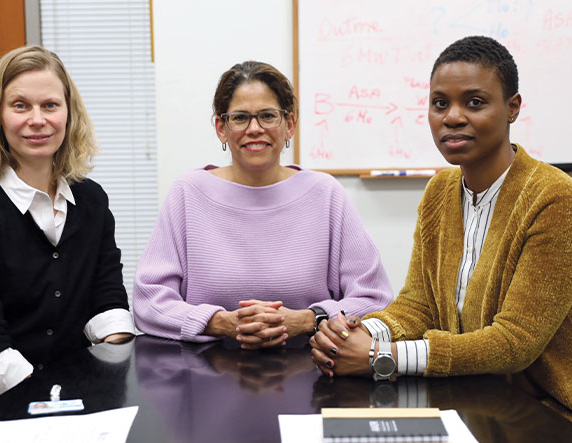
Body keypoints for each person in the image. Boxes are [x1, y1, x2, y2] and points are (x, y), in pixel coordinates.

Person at [310, 36, 572, 422]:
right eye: (440, 103)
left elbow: (514, 343)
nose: (452, 117)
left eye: (475, 102)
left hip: (555, 415)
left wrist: (382, 357)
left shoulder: (557, 200)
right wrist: (352, 334)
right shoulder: (439, 192)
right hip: (474, 401)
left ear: (512, 108)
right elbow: (418, 306)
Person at [0, 45, 135, 414]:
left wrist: (116, 373)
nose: (37, 119)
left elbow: (108, 304)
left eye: (50, 105)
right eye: (20, 105)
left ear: (69, 115)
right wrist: (50, 407)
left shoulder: (92, 201)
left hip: (67, 397)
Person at [133, 61, 392, 349]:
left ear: (289, 125)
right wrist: (219, 322)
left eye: (268, 116)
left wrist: (308, 319)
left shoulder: (326, 194)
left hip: (315, 377)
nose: (254, 129)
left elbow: (375, 298)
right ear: (221, 128)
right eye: (240, 118)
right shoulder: (188, 194)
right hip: (205, 377)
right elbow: (149, 301)